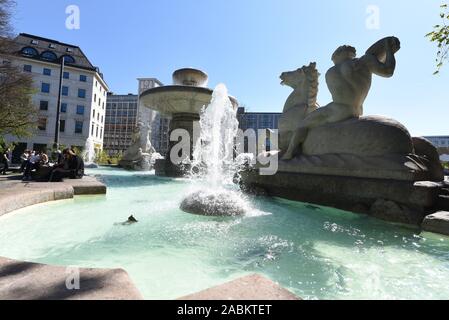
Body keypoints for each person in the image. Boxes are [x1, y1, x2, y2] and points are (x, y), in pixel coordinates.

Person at [282, 36, 401, 160]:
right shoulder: (364, 61)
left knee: (303, 124)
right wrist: (389, 50)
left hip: (338, 109)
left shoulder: (332, 71)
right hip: (357, 110)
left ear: (337, 55)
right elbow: (388, 71)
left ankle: (289, 152)